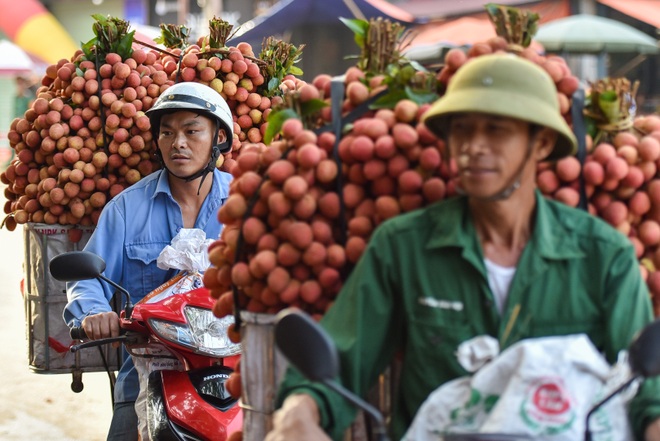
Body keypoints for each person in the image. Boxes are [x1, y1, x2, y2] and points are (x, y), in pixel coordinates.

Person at [265, 53, 660, 441]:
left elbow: (649, 393)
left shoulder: (604, 256)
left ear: (541, 144)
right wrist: (300, 412)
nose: (474, 146)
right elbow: (340, 362)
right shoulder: (403, 246)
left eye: (496, 129)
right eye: (462, 130)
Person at [63, 81, 234, 441]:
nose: (178, 143)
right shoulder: (126, 209)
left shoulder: (249, 200)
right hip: (148, 373)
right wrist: (94, 314)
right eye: (167, 132)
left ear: (219, 137)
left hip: (240, 373)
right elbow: (87, 276)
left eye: (192, 131)